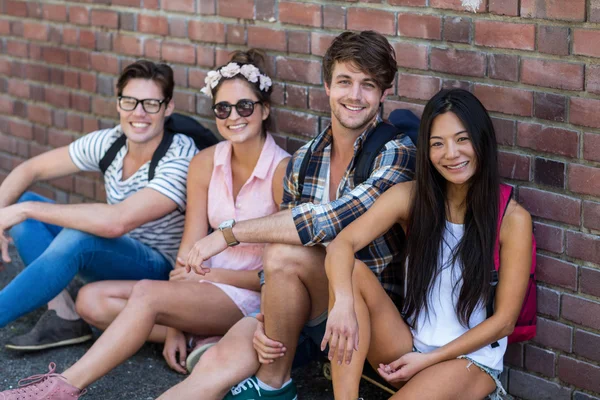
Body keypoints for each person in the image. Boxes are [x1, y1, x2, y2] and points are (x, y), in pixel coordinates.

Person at [0, 49, 291, 400]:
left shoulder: (276, 170)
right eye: (223, 108)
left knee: (102, 256)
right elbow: (189, 248)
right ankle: (67, 316)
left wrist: (199, 282)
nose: (234, 117)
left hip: (241, 292)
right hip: (195, 281)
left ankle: (63, 387)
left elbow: (279, 276)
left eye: (245, 107)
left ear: (264, 109)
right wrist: (177, 315)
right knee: (89, 300)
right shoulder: (203, 163)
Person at [159, 30, 417, 400]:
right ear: (327, 86)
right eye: (345, 81)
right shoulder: (306, 159)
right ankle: (272, 387)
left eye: (369, 85)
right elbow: (279, 260)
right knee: (221, 363)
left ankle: (270, 383)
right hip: (320, 316)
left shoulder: (395, 152)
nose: (355, 95)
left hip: (378, 322)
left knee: (284, 250)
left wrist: (229, 233)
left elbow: (329, 219)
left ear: (384, 94)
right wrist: (271, 316)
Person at [321, 88, 533, 400]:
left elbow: (504, 322)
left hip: (469, 362)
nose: (451, 153)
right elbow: (342, 244)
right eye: (438, 143)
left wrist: (430, 360)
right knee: (350, 272)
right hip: (411, 347)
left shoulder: (511, 218)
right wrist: (342, 303)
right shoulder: (411, 198)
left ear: (482, 140)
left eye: (462, 139)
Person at [0, 60, 198, 351]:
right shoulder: (111, 142)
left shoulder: (180, 157)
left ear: (168, 107)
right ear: (118, 104)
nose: (139, 113)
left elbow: (117, 221)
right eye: (129, 101)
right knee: (26, 201)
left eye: (151, 104)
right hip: (117, 251)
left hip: (159, 270)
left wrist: (22, 211)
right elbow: (30, 170)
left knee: (75, 234)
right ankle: (64, 316)